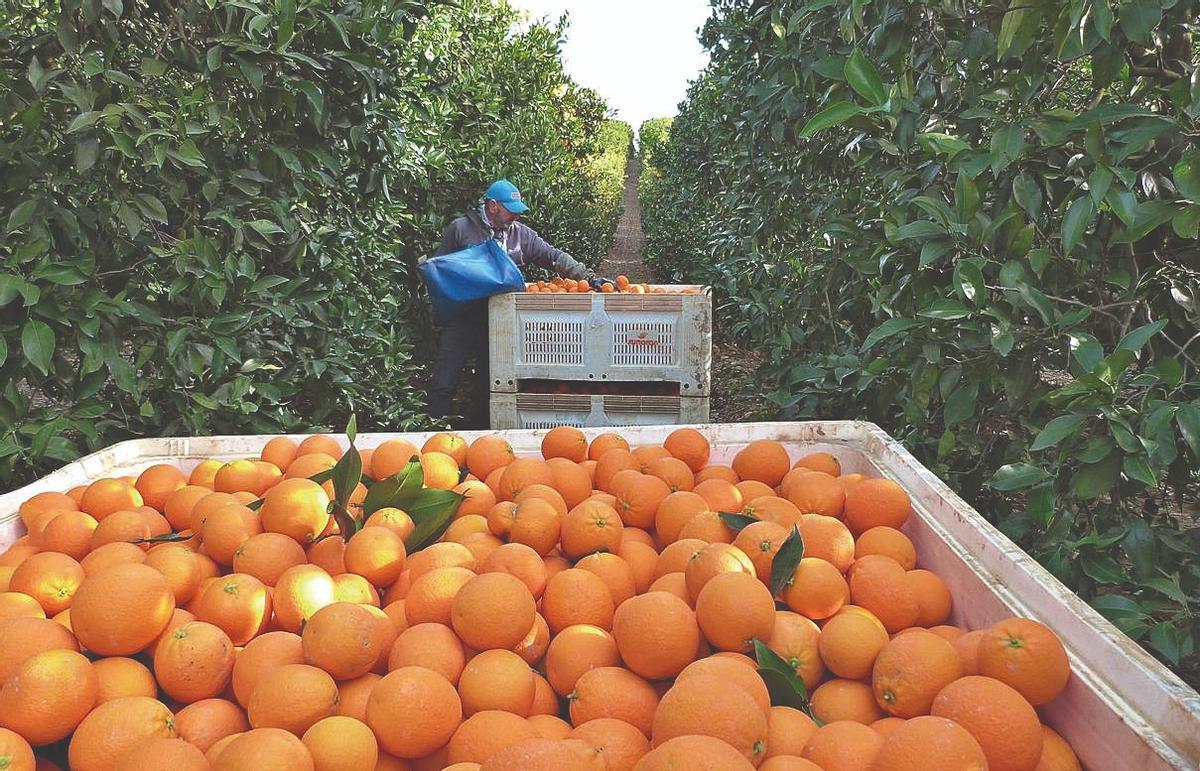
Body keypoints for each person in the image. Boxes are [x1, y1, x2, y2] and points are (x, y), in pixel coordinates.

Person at [425, 179, 610, 428]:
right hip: (462, 319)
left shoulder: (520, 234)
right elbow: (440, 269)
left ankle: (482, 436)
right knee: (444, 380)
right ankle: (430, 434)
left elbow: (553, 257)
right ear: (492, 206)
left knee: (489, 383)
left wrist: (588, 278)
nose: (515, 215)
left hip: (499, 323)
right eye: (510, 209)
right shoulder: (461, 229)